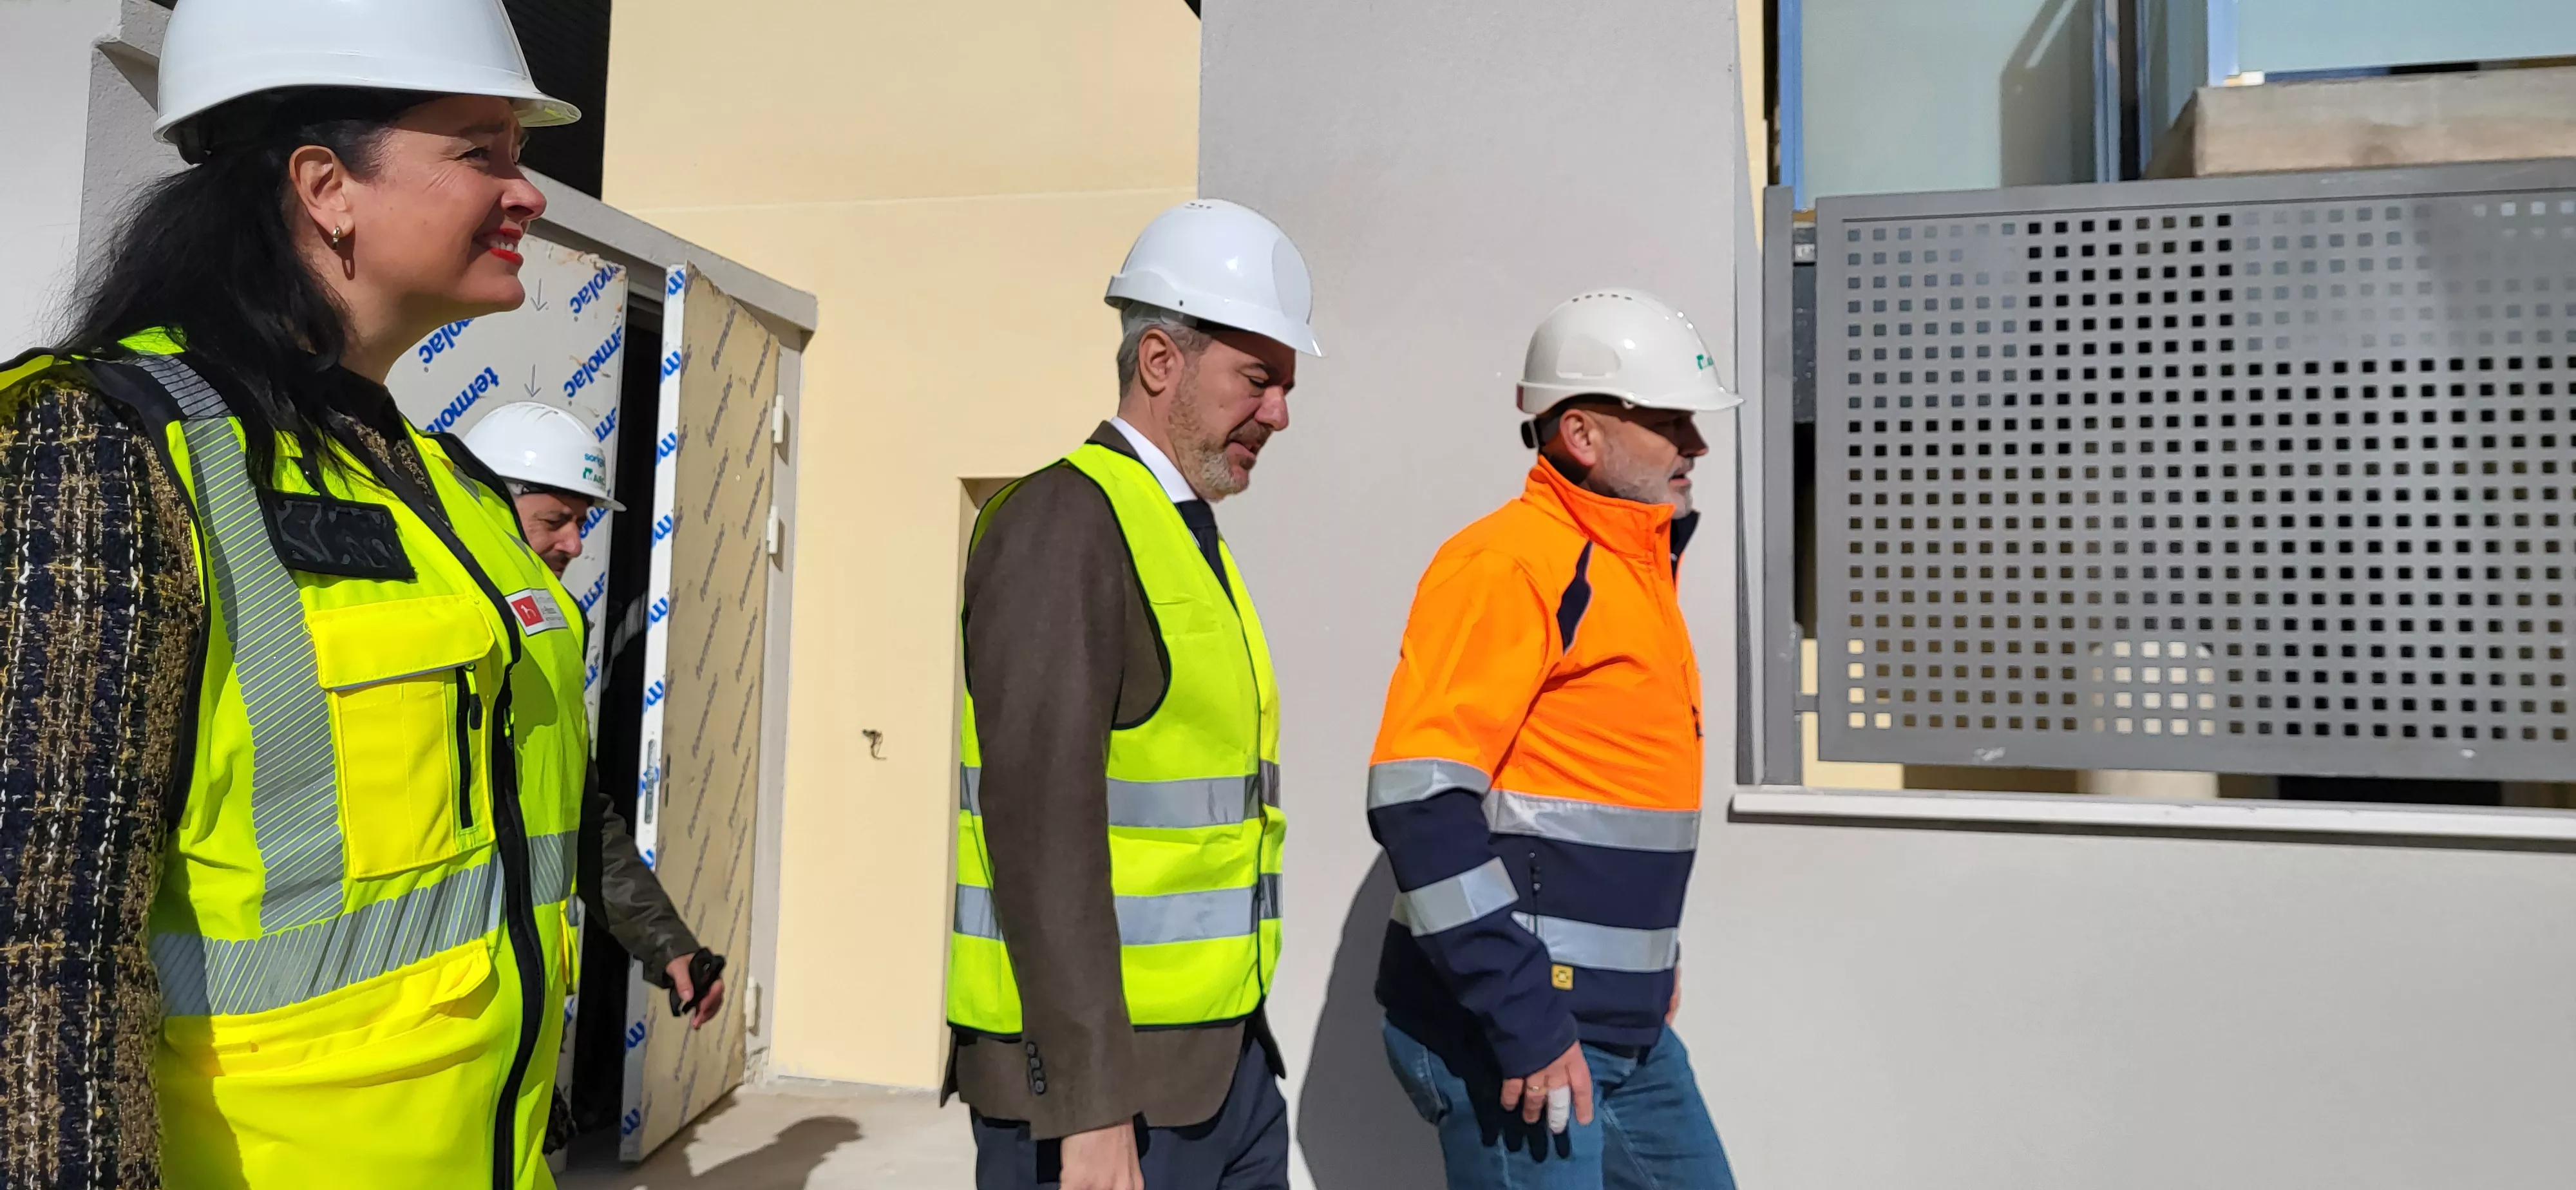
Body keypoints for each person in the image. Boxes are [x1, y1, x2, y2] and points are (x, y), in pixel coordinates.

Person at [0, 0, 594, 1185]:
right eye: (482, 151)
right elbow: (44, 950)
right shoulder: (107, 446)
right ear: (326, 185)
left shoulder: (447, 483)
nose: (526, 194)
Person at [944, 198, 1320, 1190]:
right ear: (1161, 362)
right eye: (1258, 379)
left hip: (1219, 1074)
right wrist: (1092, 1105)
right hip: (1107, 1104)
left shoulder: (1182, 532)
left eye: (1285, 385)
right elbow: (1040, 833)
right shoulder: (1063, 523)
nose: (1280, 413)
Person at [1366, 290, 1742, 1189]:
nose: (1694, 444)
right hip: (1518, 1037)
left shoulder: (1636, 573)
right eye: (1669, 420)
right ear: (1581, 434)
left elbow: (1605, 797)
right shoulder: (1510, 564)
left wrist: (1654, 965)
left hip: (1624, 1032)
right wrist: (1524, 1017)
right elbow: (1420, 804)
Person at [457, 401, 726, 1028]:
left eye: (581, 522)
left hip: (521, 989)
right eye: (556, 520)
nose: (575, 545)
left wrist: (670, 947)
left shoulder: (555, 621)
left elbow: (577, 812)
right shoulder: (425, 613)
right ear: (486, 499)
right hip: (426, 1004)